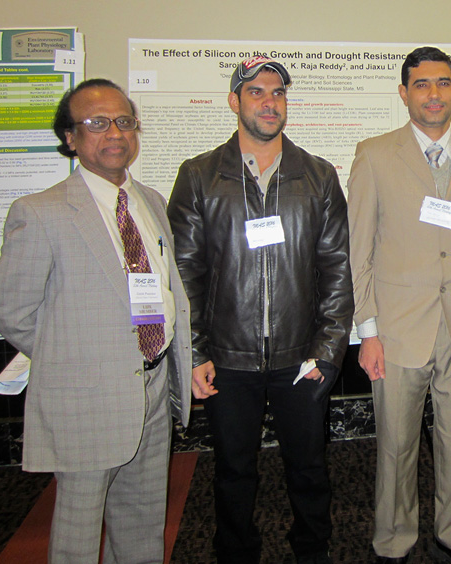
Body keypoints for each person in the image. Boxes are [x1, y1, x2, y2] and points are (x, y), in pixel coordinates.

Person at [0, 79, 192, 564]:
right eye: (97, 123)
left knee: (142, 522)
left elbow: (163, 290)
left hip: (154, 386)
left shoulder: (151, 202)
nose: (114, 132)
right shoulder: (41, 212)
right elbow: (7, 309)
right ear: (71, 138)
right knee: (78, 534)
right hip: (85, 397)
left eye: (123, 121)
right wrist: (73, 358)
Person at [167, 57, 352, 564]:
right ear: (235, 102)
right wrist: (196, 352)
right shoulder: (200, 176)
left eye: (278, 93)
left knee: (310, 468)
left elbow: (337, 271)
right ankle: (235, 552)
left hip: (301, 359)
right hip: (227, 359)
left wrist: (328, 353)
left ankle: (312, 551)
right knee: (233, 470)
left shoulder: (317, 176)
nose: (269, 101)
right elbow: (185, 275)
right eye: (256, 92)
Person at [347, 46, 451, 564]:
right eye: (421, 84)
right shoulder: (373, 154)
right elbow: (359, 249)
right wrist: (367, 330)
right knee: (396, 446)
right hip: (396, 330)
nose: (433, 93)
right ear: (404, 93)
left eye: (442, 83)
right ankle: (394, 538)